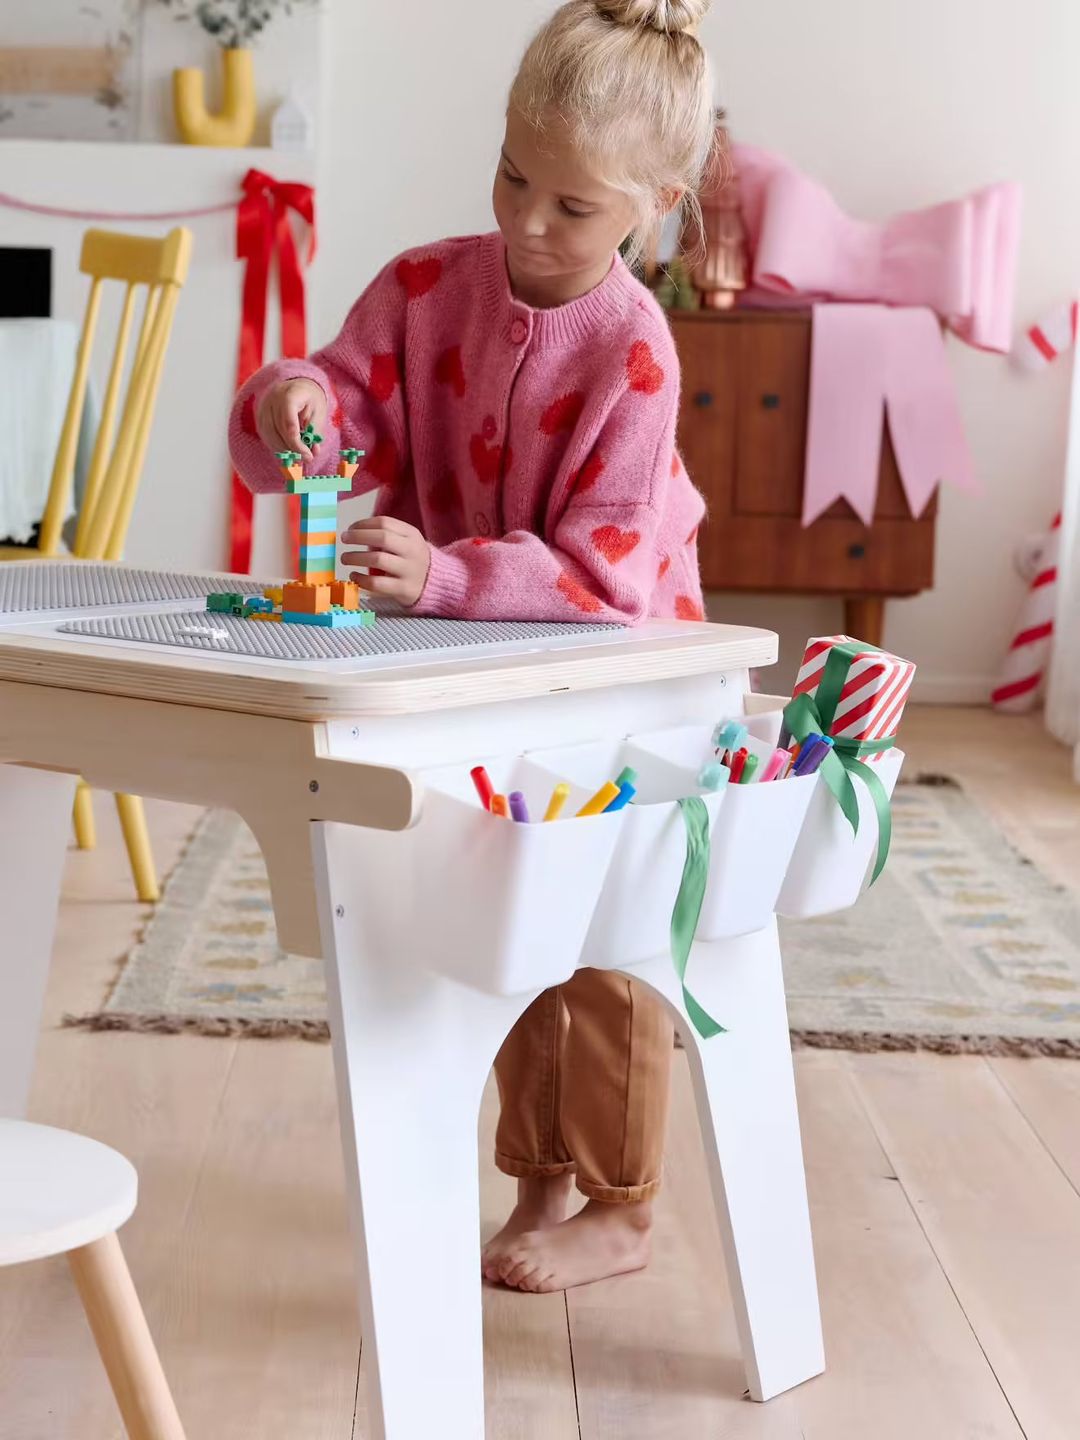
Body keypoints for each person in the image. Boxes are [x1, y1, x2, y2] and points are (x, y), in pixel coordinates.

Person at [229, 0, 718, 1294]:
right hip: (478, 671)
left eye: (574, 205)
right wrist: (298, 404)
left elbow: (611, 571)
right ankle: (539, 1174)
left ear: (654, 208)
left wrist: (445, 572)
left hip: (625, 677)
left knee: (603, 935)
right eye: (513, 176)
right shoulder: (423, 287)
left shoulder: (637, 352)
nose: (526, 222)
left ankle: (625, 1203)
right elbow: (343, 403)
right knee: (503, 906)